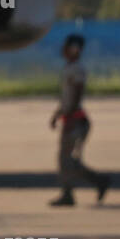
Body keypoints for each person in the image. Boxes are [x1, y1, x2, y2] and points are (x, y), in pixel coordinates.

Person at [48, 33, 111, 207]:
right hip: (71, 118)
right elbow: (66, 98)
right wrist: (57, 114)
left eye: (67, 47)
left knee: (67, 160)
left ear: (74, 49)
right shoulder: (70, 68)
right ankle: (95, 182)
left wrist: (69, 117)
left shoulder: (76, 69)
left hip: (76, 121)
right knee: (67, 160)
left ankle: (74, 191)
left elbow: (76, 94)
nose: (63, 50)